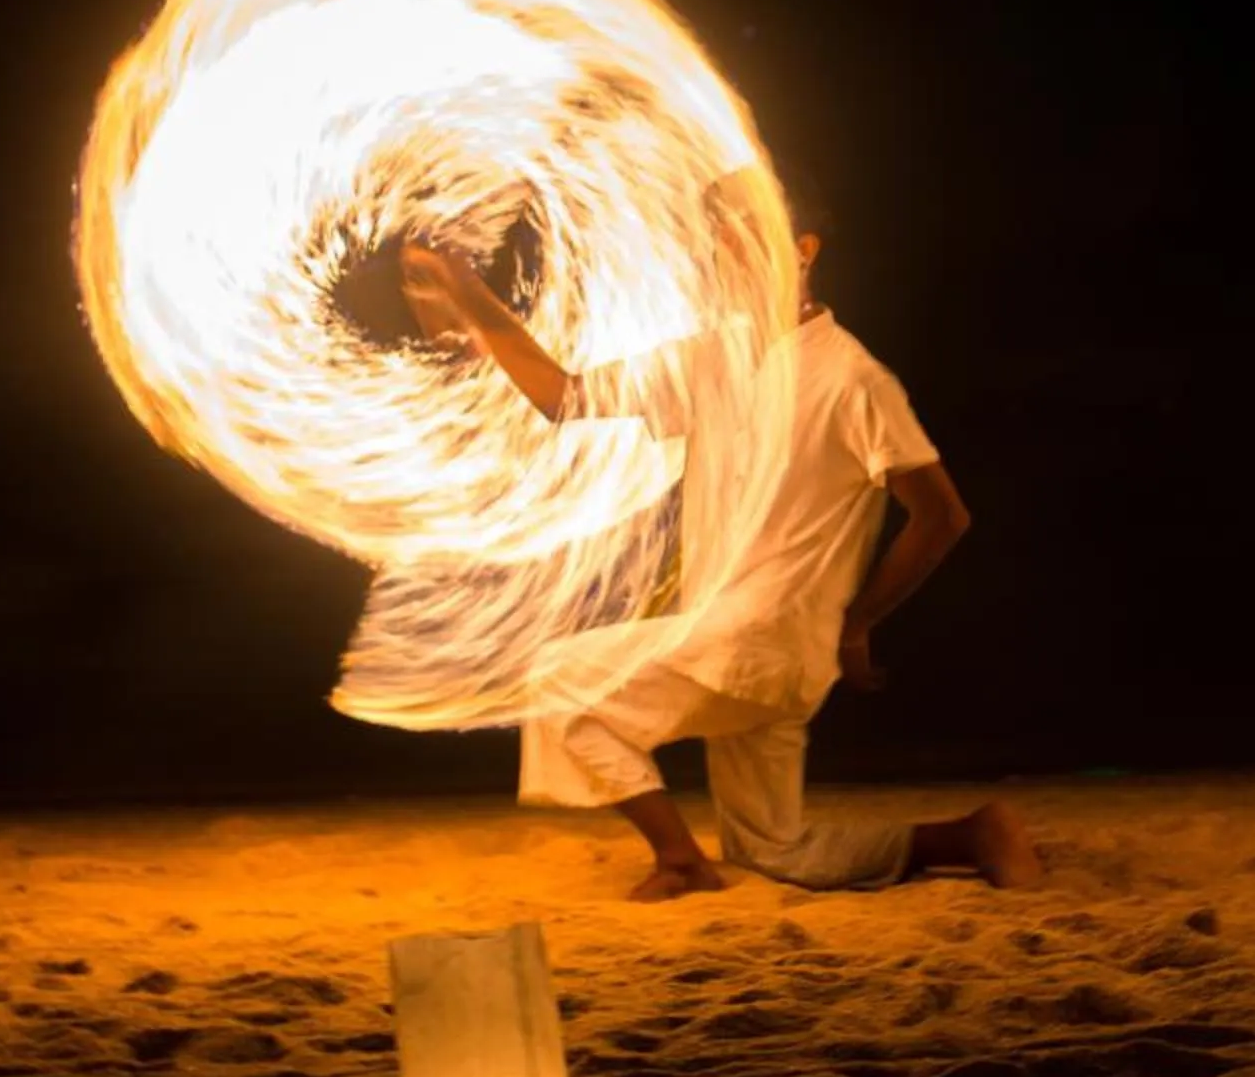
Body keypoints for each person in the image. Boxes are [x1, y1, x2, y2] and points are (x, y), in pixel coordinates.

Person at [399, 193, 1045, 900]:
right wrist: (469, 293)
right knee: (774, 850)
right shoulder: (711, 357)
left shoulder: (853, 378)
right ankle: (973, 833)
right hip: (743, 636)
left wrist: (860, 619)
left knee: (561, 682)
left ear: (803, 250)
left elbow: (942, 515)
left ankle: (678, 860)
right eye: (718, 237)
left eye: (744, 231)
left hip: (762, 637)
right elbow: (565, 399)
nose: (725, 250)